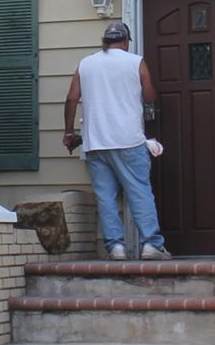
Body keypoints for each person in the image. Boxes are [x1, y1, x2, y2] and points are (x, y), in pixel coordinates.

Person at [63, 20, 169, 260]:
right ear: (125, 41)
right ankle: (151, 245)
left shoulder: (86, 64)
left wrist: (69, 132)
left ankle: (116, 247)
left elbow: (71, 99)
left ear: (105, 40)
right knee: (139, 192)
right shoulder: (135, 62)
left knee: (105, 196)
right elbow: (150, 96)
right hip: (128, 141)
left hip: (95, 143)